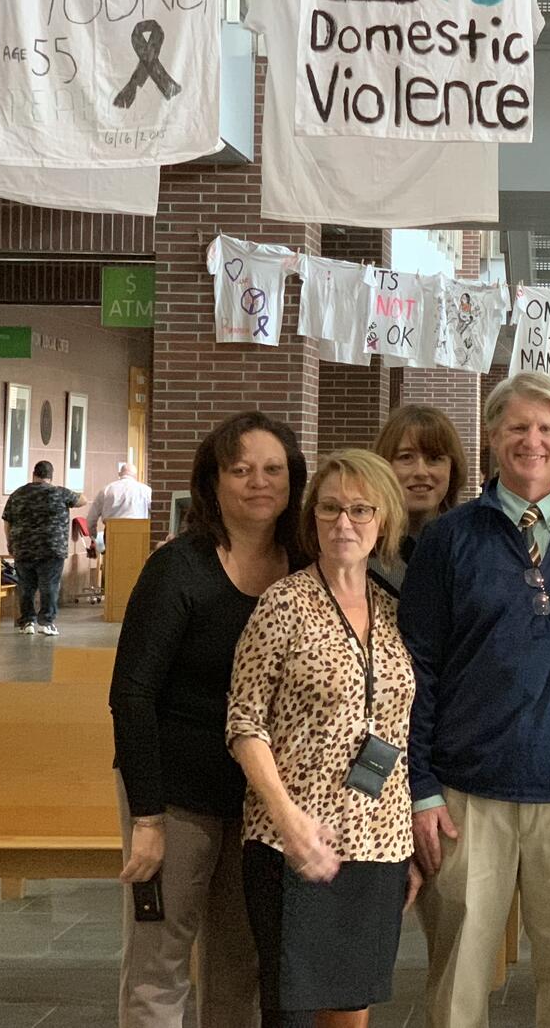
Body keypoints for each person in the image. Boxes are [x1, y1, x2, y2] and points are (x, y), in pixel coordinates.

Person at [401, 373, 550, 1028]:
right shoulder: (448, 540)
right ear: (492, 437)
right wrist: (421, 787)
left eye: (545, 427)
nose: (531, 440)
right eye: (516, 427)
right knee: (457, 984)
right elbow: (415, 671)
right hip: (464, 800)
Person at [109, 412, 306, 1028]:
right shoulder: (178, 568)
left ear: (294, 479)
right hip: (175, 798)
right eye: (240, 469)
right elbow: (132, 695)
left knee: (239, 965)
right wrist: (147, 817)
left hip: (259, 802)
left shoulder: (306, 565)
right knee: (159, 959)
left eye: (273, 469)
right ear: (212, 482)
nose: (258, 482)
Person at [227, 449, 417, 1028]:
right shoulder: (282, 604)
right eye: (330, 509)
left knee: (353, 1005)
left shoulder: (394, 609)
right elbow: (243, 725)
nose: (344, 523)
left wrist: (407, 839)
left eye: (361, 510)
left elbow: (401, 729)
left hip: (380, 840)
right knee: (293, 1009)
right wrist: (290, 822)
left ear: (384, 521)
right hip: (293, 841)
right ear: (311, 518)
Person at [370, 404, 468, 594]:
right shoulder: (360, 550)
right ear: (383, 465)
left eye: (434, 458)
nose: (421, 472)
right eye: (406, 457)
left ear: (452, 469)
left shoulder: (470, 546)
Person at [2, 459, 86, 636]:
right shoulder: (60, 493)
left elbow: (7, 521)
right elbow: (82, 500)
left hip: (23, 547)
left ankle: (27, 622)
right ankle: (46, 622)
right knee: (49, 586)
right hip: (52, 548)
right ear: (50, 476)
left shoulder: (18, 494)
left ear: (33, 474)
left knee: (25, 586)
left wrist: (10, 542)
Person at [88, 461, 154, 544]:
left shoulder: (107, 489)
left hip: (112, 533)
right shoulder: (146, 490)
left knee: (113, 556)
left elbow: (91, 517)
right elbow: (155, 512)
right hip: (139, 533)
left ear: (120, 474)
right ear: (135, 476)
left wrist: (93, 537)